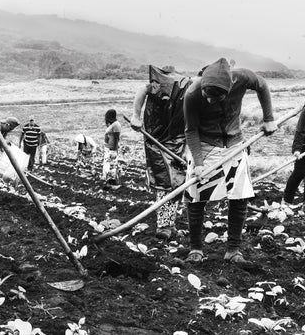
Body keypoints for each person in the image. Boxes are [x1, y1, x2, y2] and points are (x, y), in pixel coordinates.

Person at [183, 58, 277, 266]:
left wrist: (268, 118)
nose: (209, 101)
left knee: (239, 196)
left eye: (215, 98)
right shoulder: (192, 94)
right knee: (196, 196)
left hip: (235, 144)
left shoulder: (242, 77)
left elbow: (261, 85)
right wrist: (198, 163)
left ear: (228, 89)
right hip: (205, 144)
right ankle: (196, 248)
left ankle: (233, 250)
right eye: (206, 96)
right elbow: (190, 130)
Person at [130, 65, 192, 239]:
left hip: (178, 140)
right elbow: (142, 90)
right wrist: (136, 115)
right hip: (156, 140)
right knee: (164, 182)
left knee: (178, 182)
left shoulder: (186, 87)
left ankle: (169, 224)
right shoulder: (156, 85)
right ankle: (163, 226)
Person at [102, 109, 121, 188]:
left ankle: (112, 183)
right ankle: (109, 181)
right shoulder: (112, 124)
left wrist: (114, 150)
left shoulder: (116, 125)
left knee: (112, 166)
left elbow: (116, 138)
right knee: (108, 165)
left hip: (112, 149)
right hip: (108, 148)